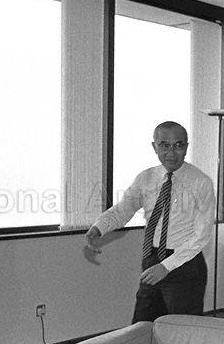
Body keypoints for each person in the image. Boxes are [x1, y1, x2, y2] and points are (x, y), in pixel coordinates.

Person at [85, 121, 215, 323]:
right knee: (142, 327)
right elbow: (123, 209)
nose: (171, 152)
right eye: (164, 145)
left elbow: (202, 235)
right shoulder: (145, 178)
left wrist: (166, 266)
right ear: (154, 147)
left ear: (186, 147)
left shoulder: (201, 182)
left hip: (185, 263)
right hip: (152, 259)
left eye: (178, 145)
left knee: (182, 332)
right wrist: (98, 228)